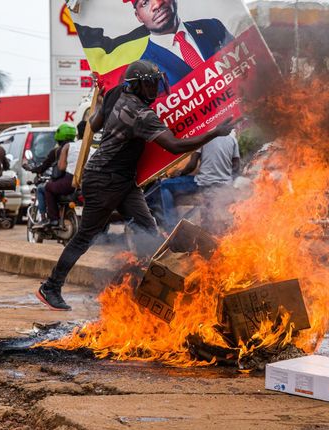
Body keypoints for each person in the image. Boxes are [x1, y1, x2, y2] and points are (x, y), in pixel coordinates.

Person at [35, 59, 234, 311]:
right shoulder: (141, 114)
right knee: (86, 236)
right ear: (136, 86)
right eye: (150, 85)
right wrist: (214, 133)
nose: (154, 91)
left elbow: (95, 125)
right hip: (103, 179)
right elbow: (174, 146)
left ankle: (150, 288)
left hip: (124, 181)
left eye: (156, 84)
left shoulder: (116, 92)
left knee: (149, 230)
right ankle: (51, 286)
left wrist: (100, 102)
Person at [130, 0, 234, 86]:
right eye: (145, 3)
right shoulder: (143, 73)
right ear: (138, 16)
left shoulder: (213, 27)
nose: (157, 4)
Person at [172, 133, 240, 232]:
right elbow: (236, 166)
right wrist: (229, 179)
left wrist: (180, 173)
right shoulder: (232, 138)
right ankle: (225, 237)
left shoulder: (203, 137)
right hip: (225, 186)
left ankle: (172, 226)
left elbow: (192, 165)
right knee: (225, 218)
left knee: (207, 218)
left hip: (206, 183)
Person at [41, 121, 98, 227]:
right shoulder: (94, 150)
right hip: (90, 182)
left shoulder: (68, 146)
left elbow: (61, 167)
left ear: (78, 134)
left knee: (48, 187)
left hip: (71, 182)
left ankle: (54, 219)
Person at [25, 123, 77, 224]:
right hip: (80, 183)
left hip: (66, 182)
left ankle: (50, 219)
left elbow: (43, 167)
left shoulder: (57, 151)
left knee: (43, 188)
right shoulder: (78, 147)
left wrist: (32, 169)